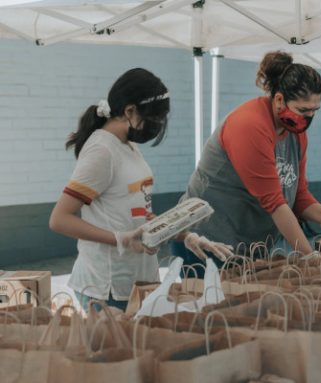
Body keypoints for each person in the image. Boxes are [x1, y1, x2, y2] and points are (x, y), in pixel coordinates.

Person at [49, 68, 232, 312]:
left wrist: (182, 233)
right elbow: (59, 219)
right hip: (107, 286)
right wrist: (120, 238)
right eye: (154, 119)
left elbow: (138, 215)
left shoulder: (128, 145)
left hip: (138, 279)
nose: (156, 126)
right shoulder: (101, 151)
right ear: (129, 111)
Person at [172, 51, 321, 272]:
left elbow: (298, 194)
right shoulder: (249, 126)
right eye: (303, 110)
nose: (309, 118)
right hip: (207, 243)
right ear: (279, 100)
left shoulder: (295, 132)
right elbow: (275, 203)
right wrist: (310, 257)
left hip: (246, 247)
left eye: (315, 111)